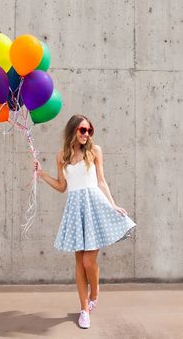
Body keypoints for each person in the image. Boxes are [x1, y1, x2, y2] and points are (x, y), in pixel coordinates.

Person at [34, 114, 136, 329]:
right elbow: (63, 186)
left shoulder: (94, 150)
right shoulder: (61, 155)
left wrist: (113, 204)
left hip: (94, 206)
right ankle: (84, 309)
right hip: (74, 209)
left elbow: (101, 180)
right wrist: (41, 174)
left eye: (89, 130)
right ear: (73, 130)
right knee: (79, 263)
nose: (86, 134)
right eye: (82, 130)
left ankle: (95, 291)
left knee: (89, 262)